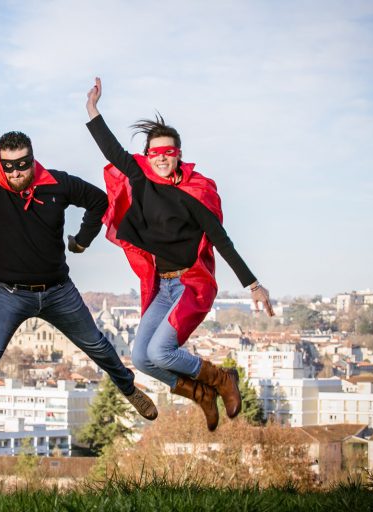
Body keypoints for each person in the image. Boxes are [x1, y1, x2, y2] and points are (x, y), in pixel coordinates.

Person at [0, 87, 157, 465]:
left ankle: (128, 388)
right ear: (0, 166)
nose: (17, 171)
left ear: (32, 158)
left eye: (22, 163)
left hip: (57, 291)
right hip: (6, 293)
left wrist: (83, 241)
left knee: (100, 347)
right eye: (9, 166)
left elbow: (99, 201)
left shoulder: (57, 183)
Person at [84, 77, 274, 432]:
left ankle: (221, 378)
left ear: (179, 155)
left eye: (168, 152)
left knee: (160, 353)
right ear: (147, 156)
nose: (161, 159)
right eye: (154, 153)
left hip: (189, 285)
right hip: (163, 287)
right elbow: (112, 152)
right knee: (141, 357)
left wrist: (253, 285)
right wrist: (93, 110)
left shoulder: (195, 193)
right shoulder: (140, 179)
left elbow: (221, 239)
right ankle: (200, 394)